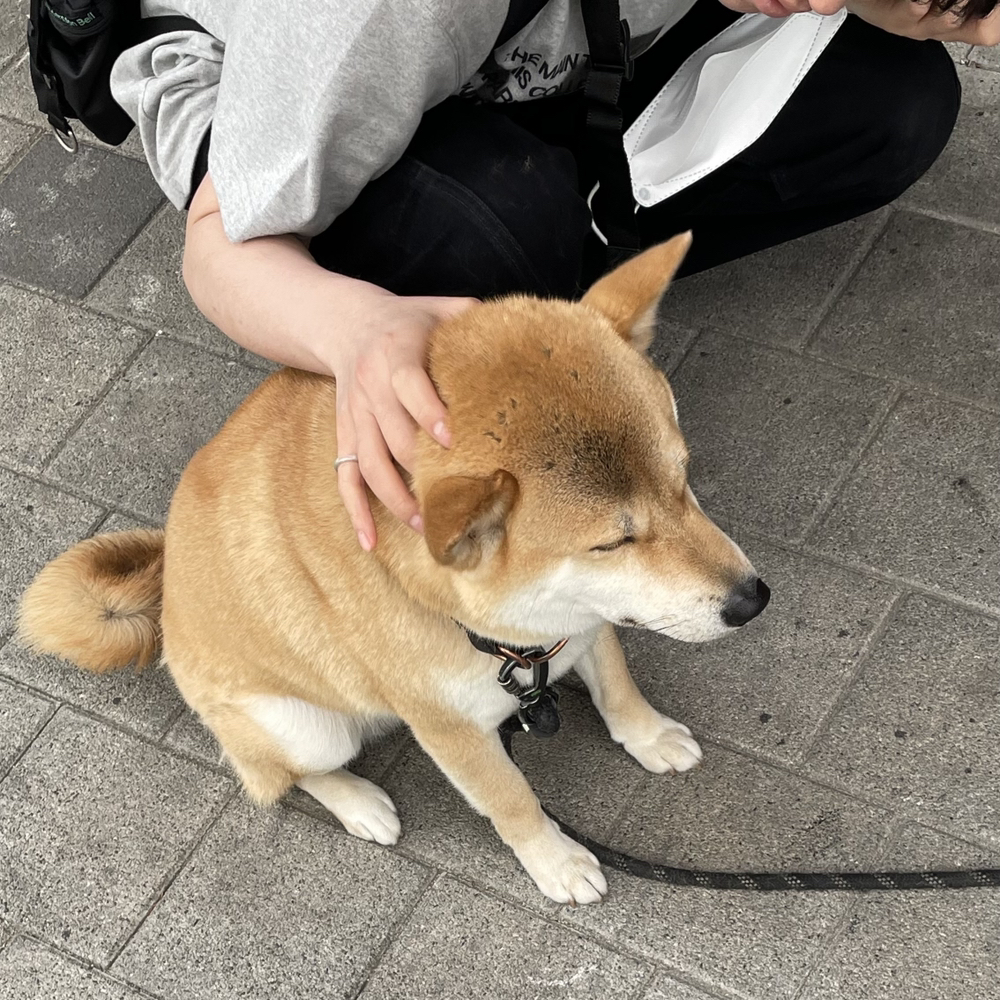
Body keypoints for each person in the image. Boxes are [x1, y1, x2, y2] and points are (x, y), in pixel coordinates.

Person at [111, 0, 999, 551]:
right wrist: (353, 329)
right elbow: (222, 245)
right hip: (284, 89)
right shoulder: (382, 13)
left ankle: (576, 243)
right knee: (500, 237)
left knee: (896, 104)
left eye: (961, 10)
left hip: (534, 49)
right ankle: (531, 247)